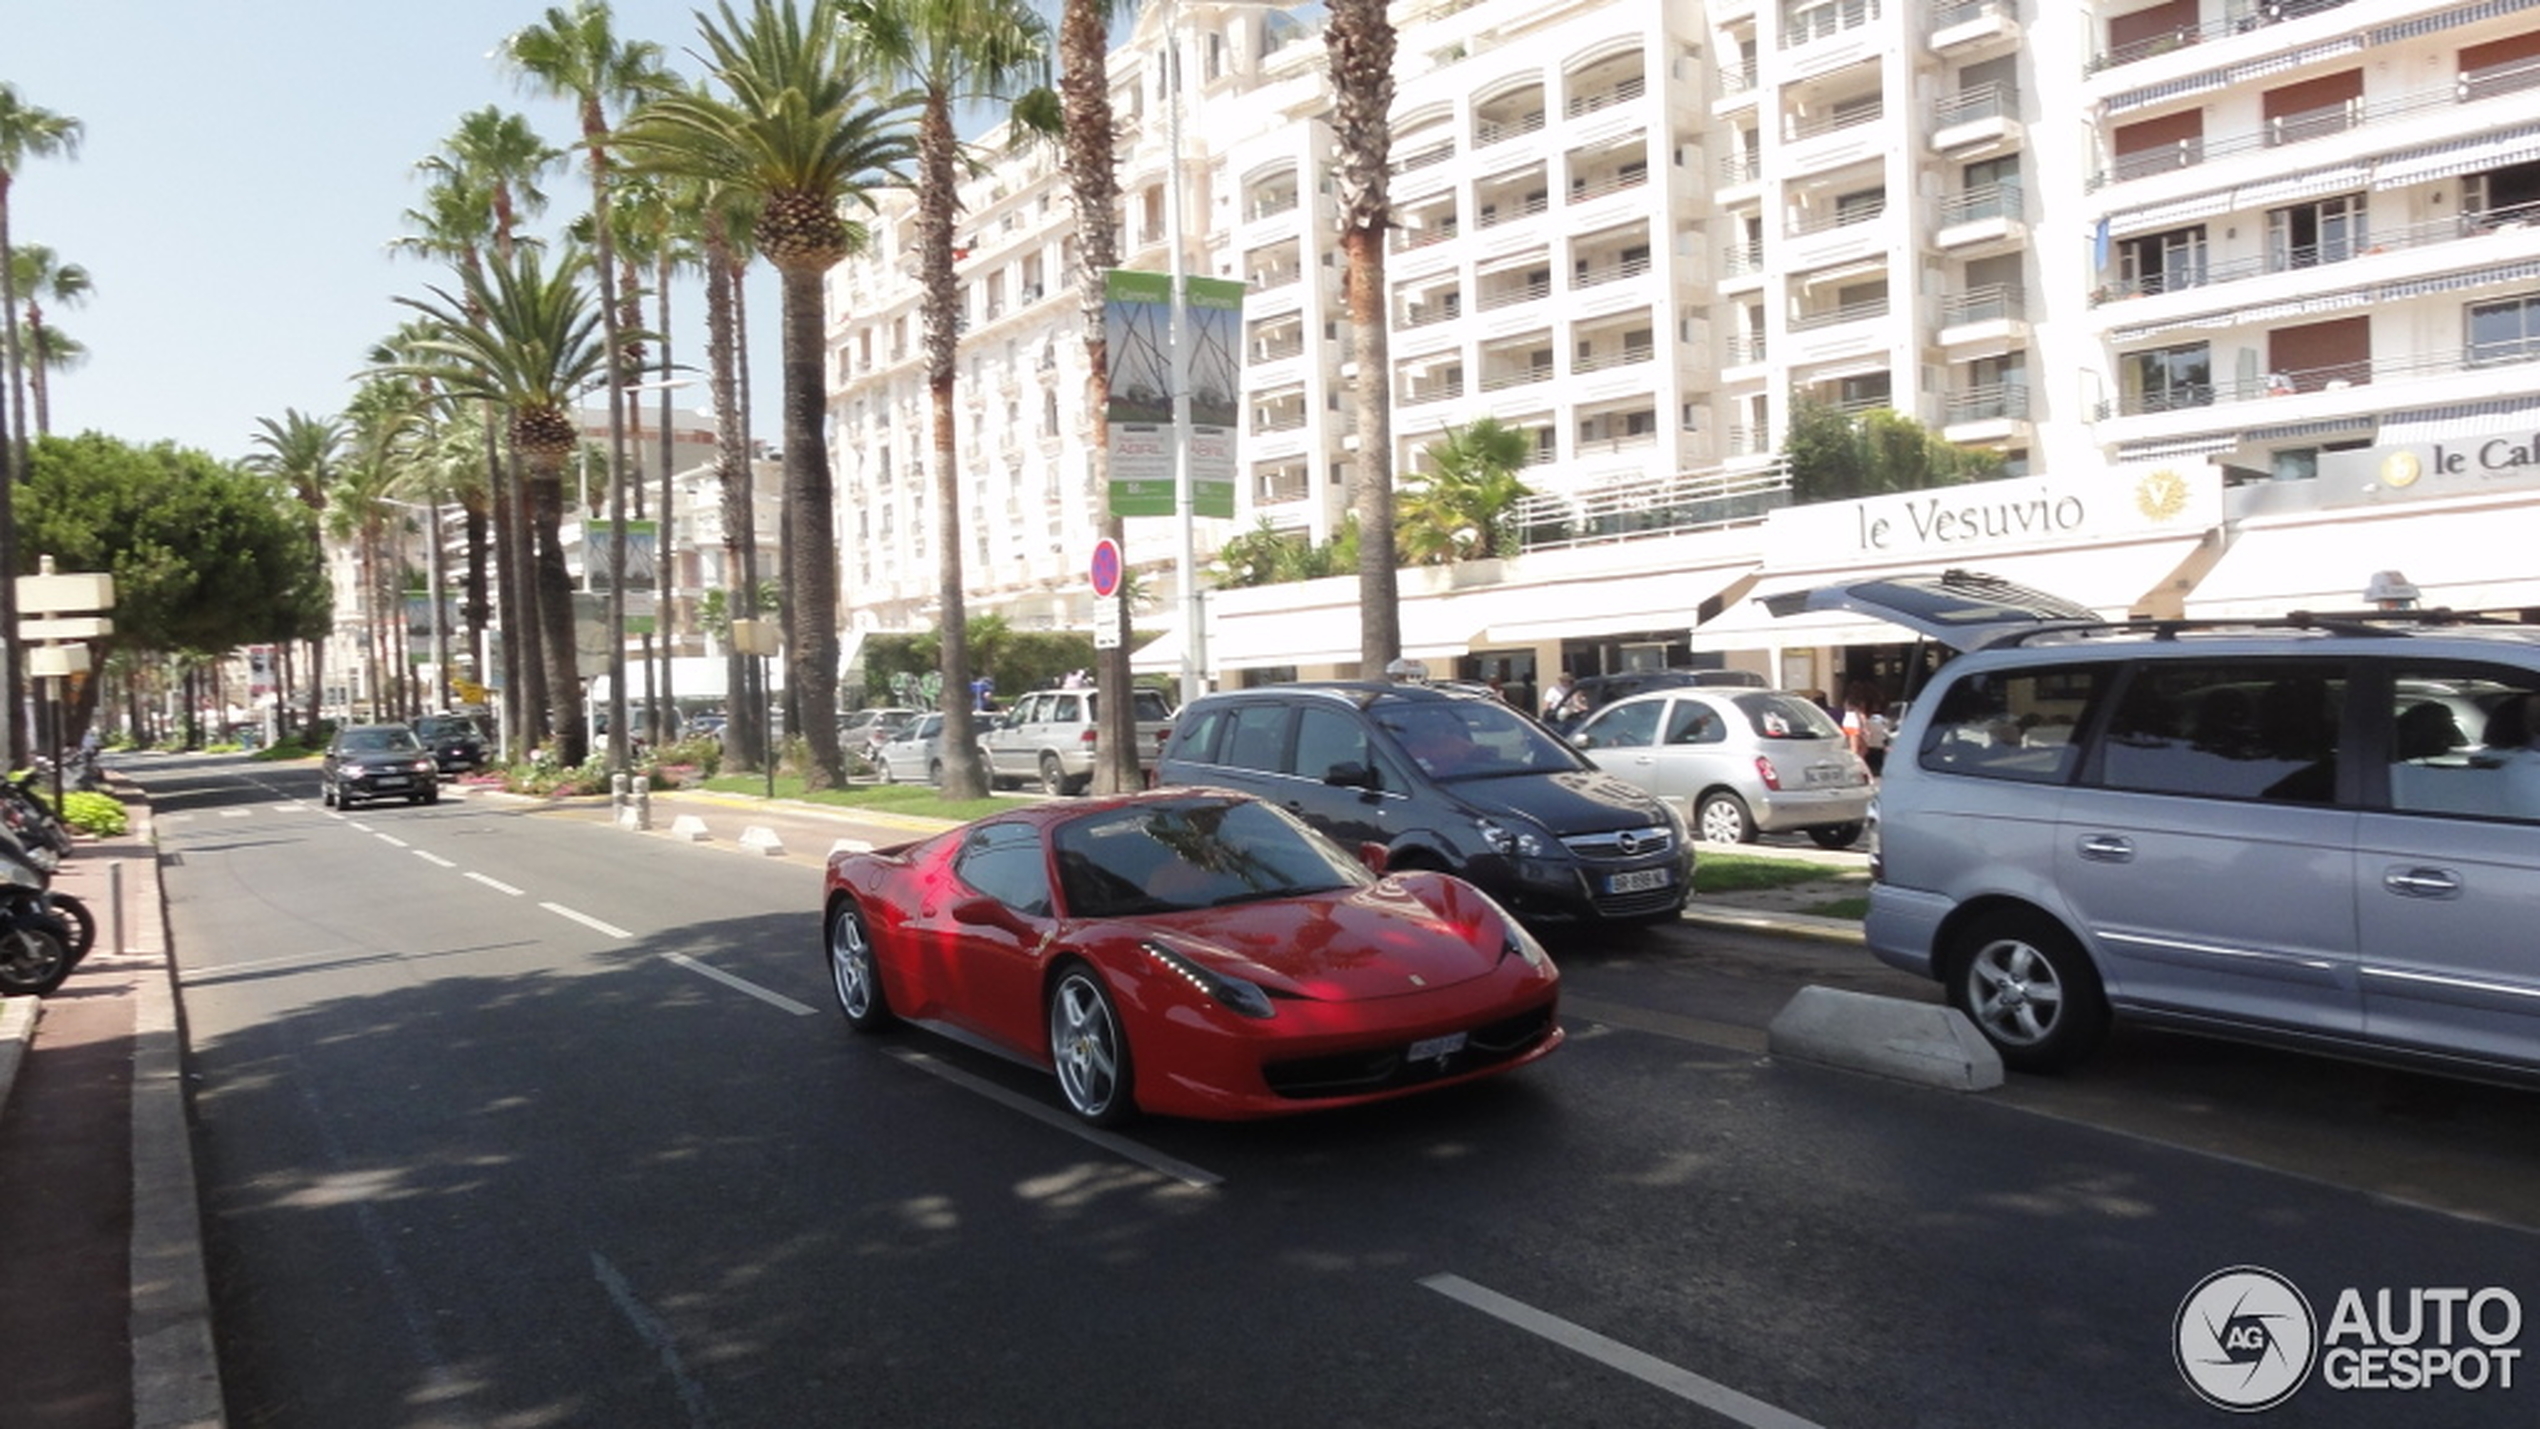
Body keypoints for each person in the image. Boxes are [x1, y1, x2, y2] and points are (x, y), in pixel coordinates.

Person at [1842, 680, 1890, 777]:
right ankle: (1855, 769)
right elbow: (1861, 715)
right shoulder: (1860, 702)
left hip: (1847, 722)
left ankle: (1857, 766)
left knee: (1857, 748)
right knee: (1857, 749)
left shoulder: (1847, 701)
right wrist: (1865, 728)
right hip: (1855, 724)